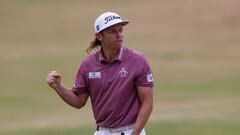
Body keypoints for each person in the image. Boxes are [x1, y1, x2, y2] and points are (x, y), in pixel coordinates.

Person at [47, 12, 154, 135]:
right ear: (99, 36)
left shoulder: (137, 60)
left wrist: (135, 133)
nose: (119, 35)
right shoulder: (88, 64)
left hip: (132, 130)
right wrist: (58, 87)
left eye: (120, 30)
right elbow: (78, 101)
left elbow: (147, 102)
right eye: (112, 31)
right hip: (102, 131)